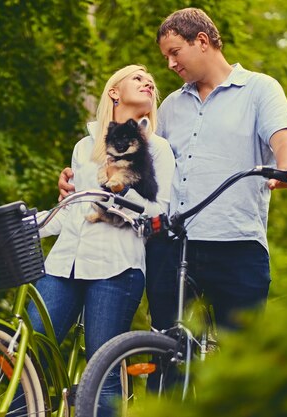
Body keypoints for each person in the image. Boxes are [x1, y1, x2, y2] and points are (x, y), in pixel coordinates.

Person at [58, 8, 287, 332]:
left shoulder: (259, 89)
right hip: (173, 244)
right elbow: (137, 165)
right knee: (167, 350)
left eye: (174, 53)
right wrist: (79, 180)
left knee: (238, 355)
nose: (170, 64)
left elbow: (284, 139)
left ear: (202, 41)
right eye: (166, 56)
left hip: (236, 245)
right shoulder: (171, 107)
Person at [30, 64, 175, 413]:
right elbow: (71, 210)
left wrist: (121, 188)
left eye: (150, 82)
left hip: (117, 267)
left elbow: (158, 211)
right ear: (114, 91)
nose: (148, 83)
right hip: (64, 264)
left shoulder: (156, 148)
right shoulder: (84, 147)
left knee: (103, 366)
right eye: (138, 78)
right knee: (29, 353)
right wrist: (29, 225)